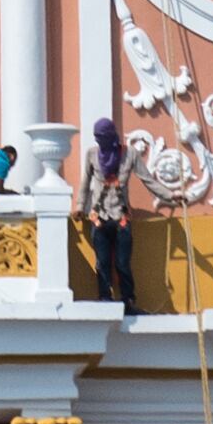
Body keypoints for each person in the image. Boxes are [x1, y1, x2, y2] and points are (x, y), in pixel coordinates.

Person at [82, 117, 136, 307]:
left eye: (102, 136)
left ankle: (128, 300)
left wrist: (172, 196)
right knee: (102, 262)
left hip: (121, 217)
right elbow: (85, 183)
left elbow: (148, 180)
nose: (99, 140)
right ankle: (105, 297)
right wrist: (80, 207)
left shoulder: (129, 154)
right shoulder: (91, 154)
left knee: (122, 263)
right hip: (99, 217)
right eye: (97, 137)